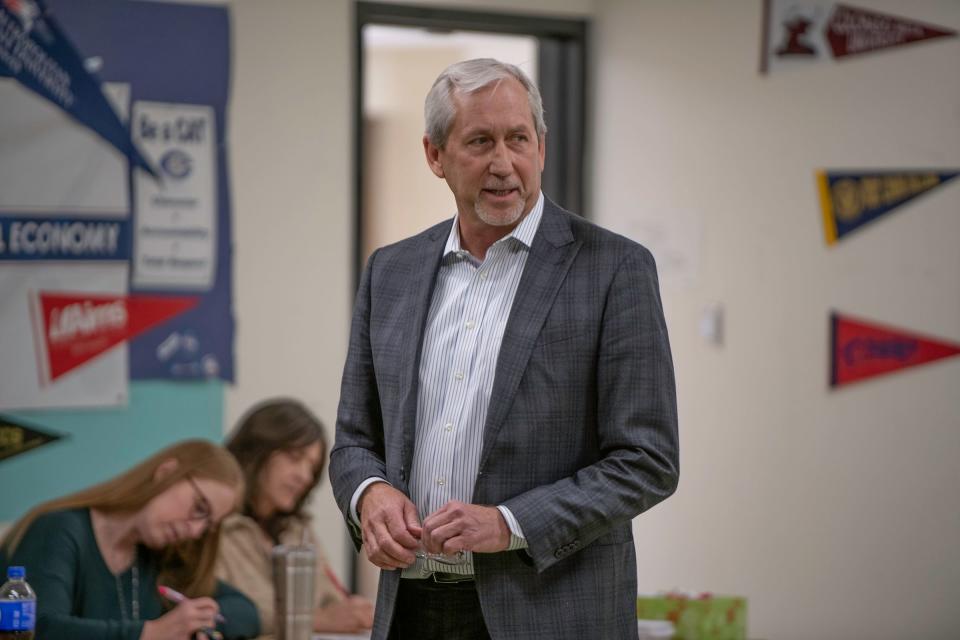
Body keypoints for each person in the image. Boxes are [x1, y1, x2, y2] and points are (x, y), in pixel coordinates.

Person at [329, 58, 680, 640]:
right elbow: (354, 440)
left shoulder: (615, 269)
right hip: (408, 611)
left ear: (541, 147)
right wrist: (370, 495)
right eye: (479, 141)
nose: (503, 164)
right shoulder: (389, 271)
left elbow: (648, 460)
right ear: (434, 155)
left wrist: (509, 523)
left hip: (550, 612)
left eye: (518, 139)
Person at [0, 439, 260, 640]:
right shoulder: (59, 528)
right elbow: (40, 629)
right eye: (200, 507)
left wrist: (197, 625)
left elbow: (244, 610)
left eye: (208, 525)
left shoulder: (157, 554)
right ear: (166, 472)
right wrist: (149, 633)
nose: (195, 531)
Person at [216, 399, 374, 637]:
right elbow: (217, 615)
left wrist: (354, 612)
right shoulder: (212, 527)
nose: (304, 477)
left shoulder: (298, 531)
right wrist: (315, 620)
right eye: (294, 457)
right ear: (256, 450)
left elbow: (332, 601)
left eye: (312, 467)